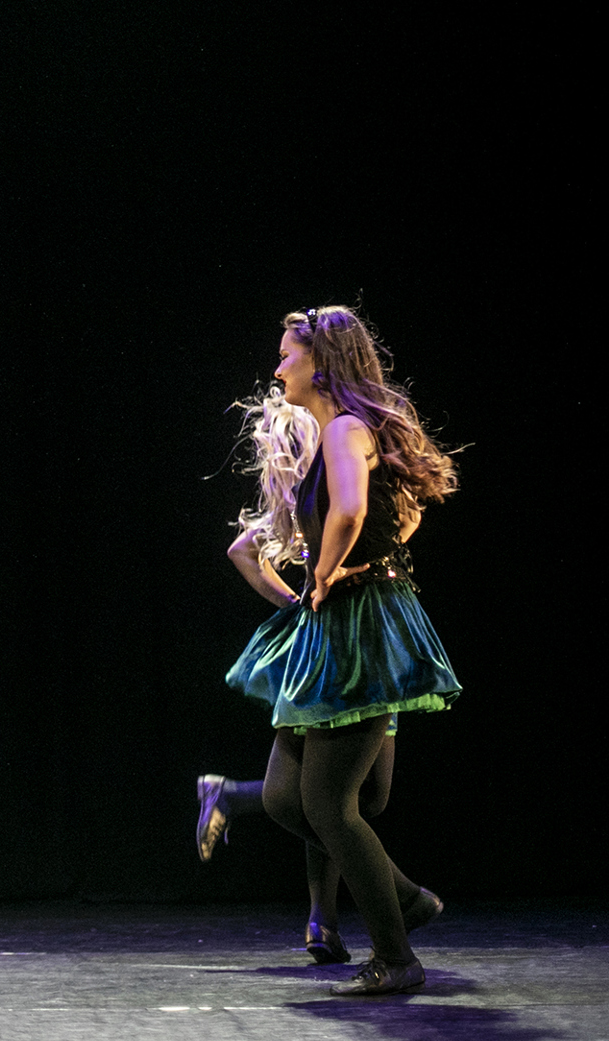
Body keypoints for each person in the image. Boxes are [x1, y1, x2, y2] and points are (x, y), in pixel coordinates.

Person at [223, 306, 460, 995]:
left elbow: (354, 510)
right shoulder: (340, 432)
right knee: (282, 797)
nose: (277, 369)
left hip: (359, 625)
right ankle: (407, 899)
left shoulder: (347, 429)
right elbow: (399, 510)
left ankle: (396, 955)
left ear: (321, 364)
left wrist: (327, 573)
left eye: (286, 357)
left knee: (329, 802)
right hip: (343, 620)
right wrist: (350, 566)